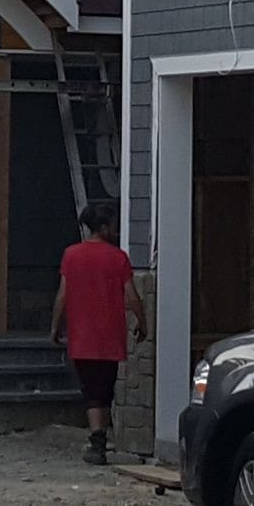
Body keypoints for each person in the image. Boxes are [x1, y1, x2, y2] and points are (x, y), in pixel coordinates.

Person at [47, 198, 146, 465]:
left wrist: (56, 327)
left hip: (81, 336)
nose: (115, 230)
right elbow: (132, 295)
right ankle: (100, 438)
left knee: (90, 390)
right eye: (112, 226)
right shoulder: (118, 258)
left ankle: (97, 441)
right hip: (110, 336)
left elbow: (63, 295)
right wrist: (142, 321)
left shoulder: (71, 255)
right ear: (102, 227)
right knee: (105, 388)